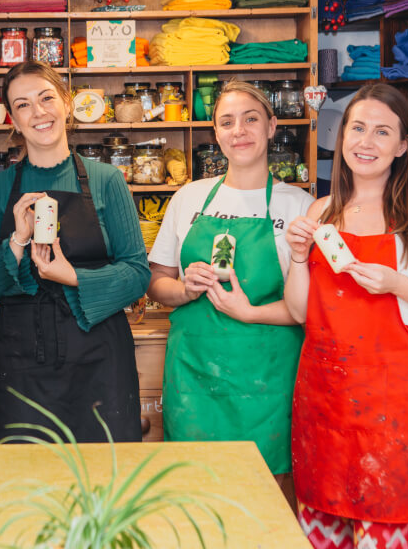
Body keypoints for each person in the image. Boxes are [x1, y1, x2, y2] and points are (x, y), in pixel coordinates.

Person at [284, 84, 408, 548]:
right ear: (342, 135)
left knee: (391, 528)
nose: (365, 142)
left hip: (395, 405)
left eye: (382, 132)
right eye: (357, 128)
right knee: (324, 531)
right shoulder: (322, 210)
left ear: (404, 145)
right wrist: (299, 256)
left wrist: (397, 284)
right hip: (324, 399)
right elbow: (300, 310)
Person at [147, 80, 313, 501]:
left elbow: (309, 307)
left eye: (251, 118)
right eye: (227, 121)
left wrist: (249, 311)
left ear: (272, 126)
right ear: (216, 134)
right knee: (194, 495)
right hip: (195, 376)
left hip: (268, 380)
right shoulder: (189, 198)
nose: (239, 130)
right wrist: (184, 289)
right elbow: (156, 282)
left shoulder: (301, 205)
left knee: (266, 498)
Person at [0, 61, 150, 444]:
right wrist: (17, 243)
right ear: (13, 121)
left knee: (106, 482)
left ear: (66, 104)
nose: (38, 112)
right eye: (23, 105)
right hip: (22, 361)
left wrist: (70, 276)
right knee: (28, 486)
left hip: (100, 357)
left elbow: (137, 273)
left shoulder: (107, 179)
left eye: (47, 98)